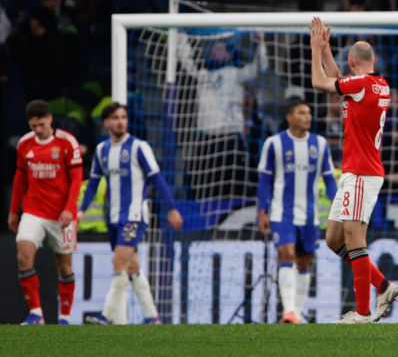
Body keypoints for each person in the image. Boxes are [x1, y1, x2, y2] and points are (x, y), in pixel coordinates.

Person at [309, 17, 398, 324]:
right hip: (356, 171)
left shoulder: (360, 85)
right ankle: (384, 286)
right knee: (335, 239)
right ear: (373, 61)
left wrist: (314, 49)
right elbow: (338, 82)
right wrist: (326, 50)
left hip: (362, 172)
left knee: (353, 238)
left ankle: (362, 312)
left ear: (351, 63)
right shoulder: (375, 84)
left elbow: (321, 83)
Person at [79, 102, 182, 325]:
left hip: (135, 215)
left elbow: (158, 179)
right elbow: (93, 185)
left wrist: (171, 208)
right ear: (106, 122)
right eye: (115, 118)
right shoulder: (101, 150)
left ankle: (107, 315)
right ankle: (153, 317)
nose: (120, 121)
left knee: (118, 260)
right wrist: (80, 212)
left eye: (124, 117)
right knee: (131, 266)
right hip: (113, 217)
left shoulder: (138, 147)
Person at [257, 99, 338, 324]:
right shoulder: (274, 143)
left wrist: (336, 202)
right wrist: (261, 212)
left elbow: (330, 178)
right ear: (289, 117)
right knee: (287, 255)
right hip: (281, 213)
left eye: (309, 113)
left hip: (310, 215)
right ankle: (288, 311)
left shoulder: (320, 144)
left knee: (303, 263)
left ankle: (297, 314)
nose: (307, 117)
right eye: (302, 113)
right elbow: (264, 180)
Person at [9, 100, 83, 325]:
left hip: (62, 214)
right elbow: (20, 177)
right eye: (33, 126)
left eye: (41, 124)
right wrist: (14, 211)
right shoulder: (25, 144)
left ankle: (65, 318)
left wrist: (70, 209)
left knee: (64, 266)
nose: (38, 130)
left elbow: (77, 178)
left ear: (50, 119)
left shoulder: (67, 142)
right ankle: (36, 314)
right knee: (23, 257)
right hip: (33, 211)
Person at [178, 32, 266, 204]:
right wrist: (180, 38)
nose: (215, 52)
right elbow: (187, 62)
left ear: (230, 53)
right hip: (206, 138)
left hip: (230, 136)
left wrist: (260, 42)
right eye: (214, 49)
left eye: (220, 48)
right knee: (201, 181)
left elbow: (260, 66)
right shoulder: (203, 75)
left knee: (237, 181)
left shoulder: (237, 73)